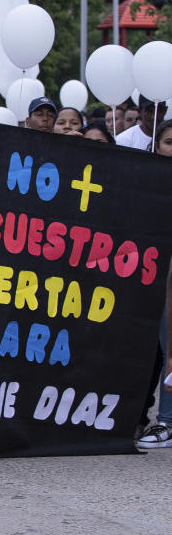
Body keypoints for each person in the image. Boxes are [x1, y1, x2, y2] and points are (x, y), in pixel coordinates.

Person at [135, 121, 172, 449]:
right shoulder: (146, 183)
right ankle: (164, 420)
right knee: (165, 345)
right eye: (169, 142)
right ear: (155, 146)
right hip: (156, 277)